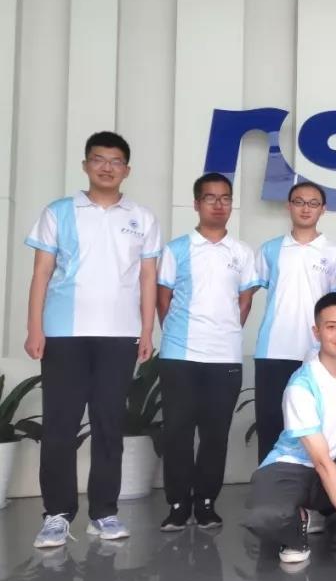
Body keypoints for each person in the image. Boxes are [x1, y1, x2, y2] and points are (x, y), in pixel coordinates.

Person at [24, 131, 162, 548]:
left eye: (115, 161)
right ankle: (57, 514)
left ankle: (104, 512)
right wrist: (35, 328)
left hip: (119, 336)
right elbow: (42, 273)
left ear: (127, 170)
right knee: (60, 425)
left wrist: (146, 330)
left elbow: (148, 278)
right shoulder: (59, 212)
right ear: (85, 165)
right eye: (99, 159)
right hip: (64, 333)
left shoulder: (142, 218)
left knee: (109, 424)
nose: (107, 167)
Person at [246, 292, 336, 566]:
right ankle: (296, 528)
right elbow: (322, 462)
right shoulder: (302, 386)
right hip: (296, 467)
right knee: (264, 515)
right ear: (317, 332)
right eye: (331, 326)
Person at [157, 172, 260, 530]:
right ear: (196, 203)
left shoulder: (242, 252)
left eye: (225, 198)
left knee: (216, 434)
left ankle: (205, 503)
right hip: (179, 356)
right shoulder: (176, 249)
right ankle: (177, 504)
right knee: (178, 433)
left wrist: (224, 331)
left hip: (224, 357)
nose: (218, 204)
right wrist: (180, 334)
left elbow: (245, 301)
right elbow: (163, 299)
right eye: (210, 197)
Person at [252, 181, 336, 464]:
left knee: (315, 426)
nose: (306, 208)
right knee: (270, 422)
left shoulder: (334, 252)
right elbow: (246, 293)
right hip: (273, 350)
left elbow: (335, 305)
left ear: (323, 209)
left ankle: (311, 487)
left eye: (313, 203)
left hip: (316, 352)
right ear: (288, 206)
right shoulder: (270, 249)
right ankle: (268, 485)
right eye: (299, 202)